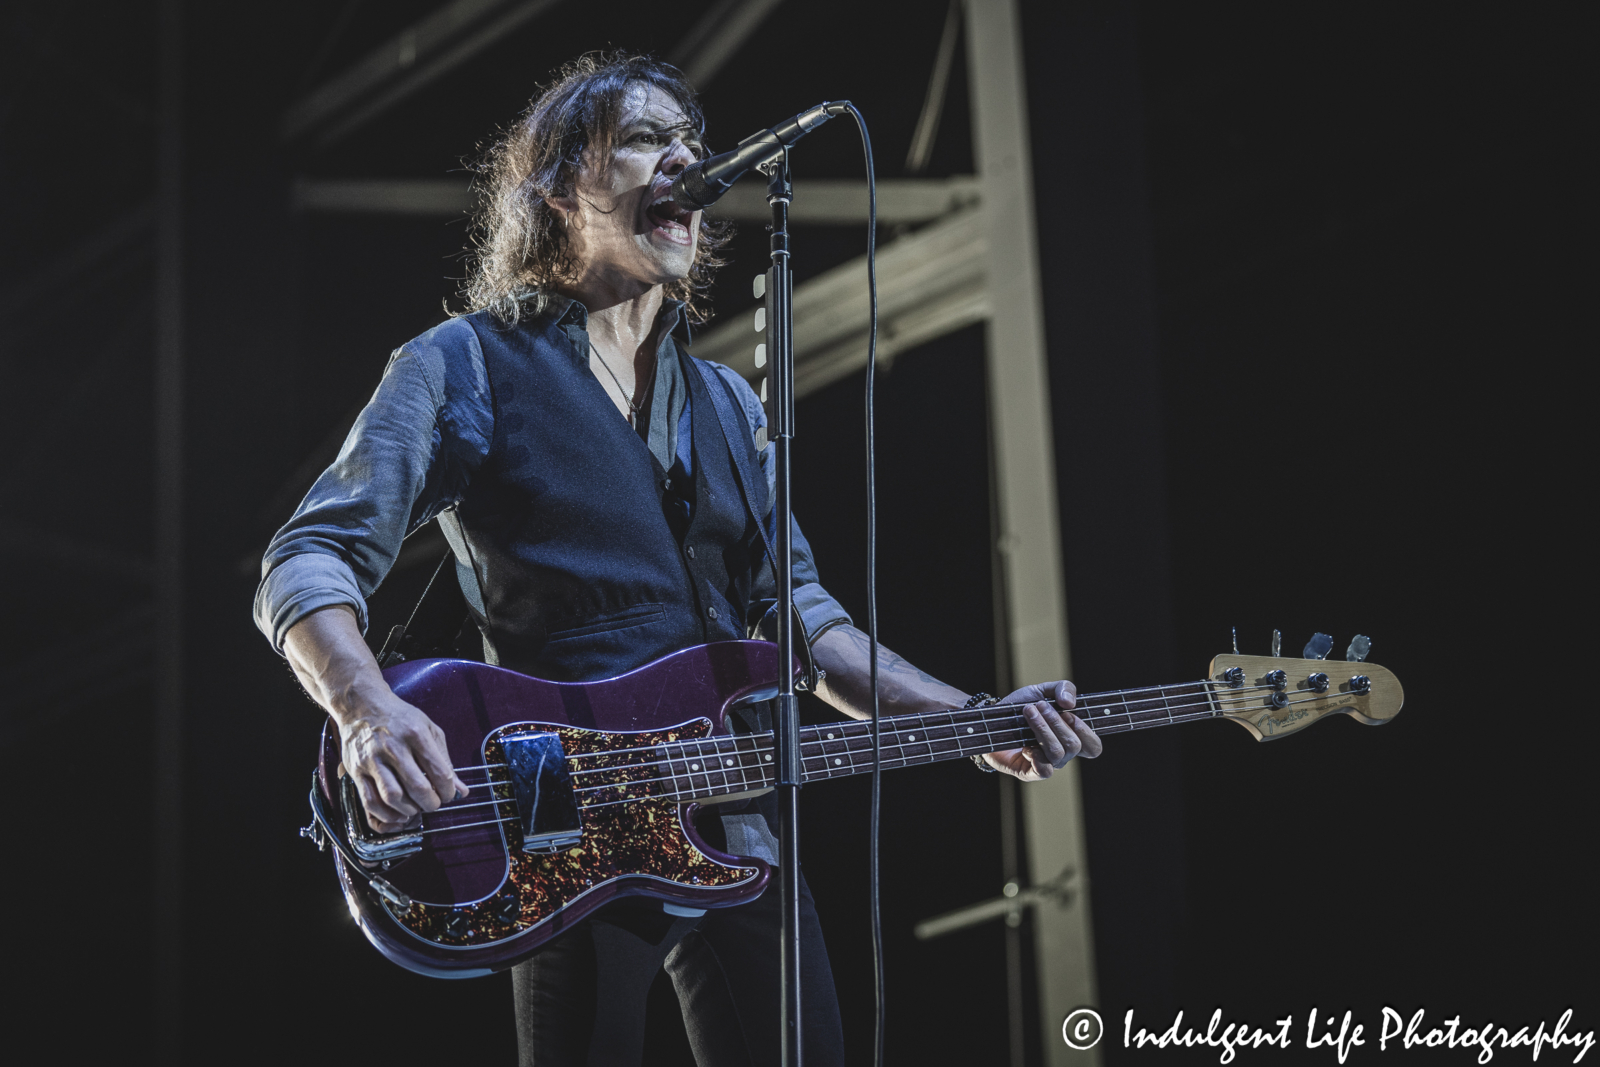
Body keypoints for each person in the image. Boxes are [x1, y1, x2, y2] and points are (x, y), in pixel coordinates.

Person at [255, 52, 1102, 1067]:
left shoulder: (730, 405)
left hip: (732, 816)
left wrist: (970, 718)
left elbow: (803, 621)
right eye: (648, 140)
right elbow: (308, 555)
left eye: (690, 143)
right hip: (558, 818)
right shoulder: (465, 363)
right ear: (562, 186)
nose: (686, 161)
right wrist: (364, 707)